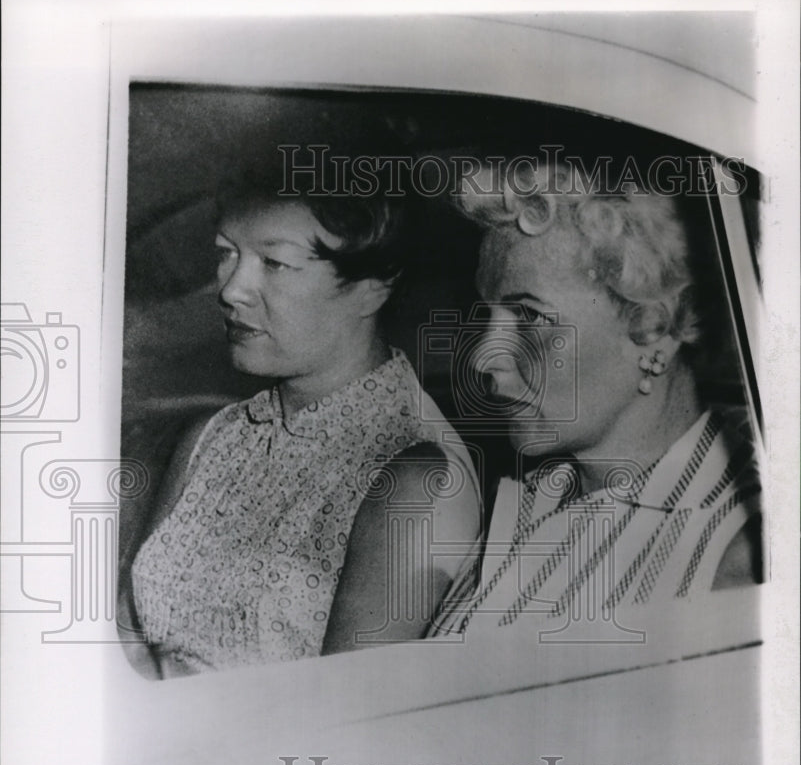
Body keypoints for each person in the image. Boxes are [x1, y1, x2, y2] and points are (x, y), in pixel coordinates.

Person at [124, 154, 479, 676]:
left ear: (372, 287)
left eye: (275, 263)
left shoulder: (417, 482)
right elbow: (126, 626)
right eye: (227, 254)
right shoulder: (213, 436)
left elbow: (340, 728)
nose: (230, 289)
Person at [430, 157, 762, 641]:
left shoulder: (735, 553)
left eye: (529, 316)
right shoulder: (533, 496)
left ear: (654, 331)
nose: (482, 357)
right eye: (486, 314)